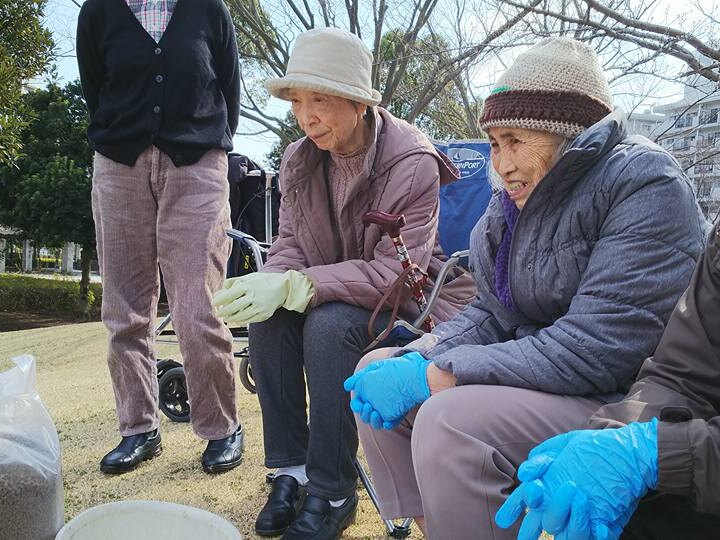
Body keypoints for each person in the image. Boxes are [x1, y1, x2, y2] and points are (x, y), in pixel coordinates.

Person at [344, 37, 708, 539]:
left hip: (625, 397)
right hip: (545, 376)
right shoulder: (512, 204)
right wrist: (422, 357)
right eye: (495, 143)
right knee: (376, 367)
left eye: (515, 140)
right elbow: (490, 312)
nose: (501, 164)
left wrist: (438, 374)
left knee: (451, 421)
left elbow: (598, 348)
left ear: (568, 134)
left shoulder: (645, 182)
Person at [210, 27, 475, 539]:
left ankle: (334, 490)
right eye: (297, 101)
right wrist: (271, 282)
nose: (306, 117)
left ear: (358, 103)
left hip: (412, 303)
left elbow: (398, 274)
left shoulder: (412, 161)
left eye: (321, 100)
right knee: (270, 320)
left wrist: (300, 286)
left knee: (329, 327)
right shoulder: (299, 158)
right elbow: (291, 243)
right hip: (332, 290)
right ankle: (290, 472)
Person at [76, 0, 244, 474]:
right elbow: (95, 89)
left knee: (198, 305)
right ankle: (139, 429)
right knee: (124, 308)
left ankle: (222, 427)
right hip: (119, 165)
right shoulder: (98, 12)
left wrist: (204, 144)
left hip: (197, 164)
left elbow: (229, 89)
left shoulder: (209, 10)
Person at [495, 222, 720, 540]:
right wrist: (613, 435)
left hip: (599, 381)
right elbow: (685, 373)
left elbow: (596, 340)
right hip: (687, 442)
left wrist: (657, 452)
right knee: (629, 509)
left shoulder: (646, 201)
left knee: (450, 421)